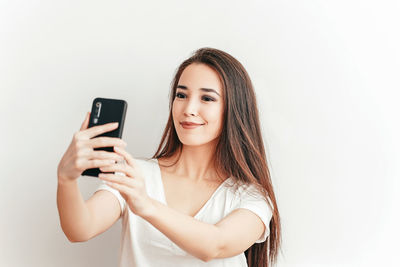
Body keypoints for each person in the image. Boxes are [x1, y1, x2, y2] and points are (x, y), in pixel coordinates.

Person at [57, 47, 281, 267]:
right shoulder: (135, 175)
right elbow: (80, 229)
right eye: (181, 95)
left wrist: (146, 205)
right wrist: (66, 180)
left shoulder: (250, 196)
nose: (189, 108)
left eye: (207, 98)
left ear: (234, 109)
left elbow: (216, 245)